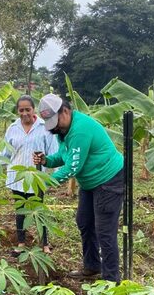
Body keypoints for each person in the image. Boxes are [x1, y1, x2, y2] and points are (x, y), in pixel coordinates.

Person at [34, 93, 124, 283]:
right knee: (84, 221)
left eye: (55, 121)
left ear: (65, 111)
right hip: (90, 182)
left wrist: (47, 182)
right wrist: (47, 160)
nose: (55, 128)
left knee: (105, 231)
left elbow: (74, 167)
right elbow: (65, 155)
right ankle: (92, 267)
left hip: (108, 178)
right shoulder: (63, 131)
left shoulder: (80, 129)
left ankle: (111, 281)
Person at [0, 95, 58, 255]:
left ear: (34, 110)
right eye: (21, 110)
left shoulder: (45, 127)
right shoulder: (12, 128)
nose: (24, 113)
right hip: (16, 176)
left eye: (28, 109)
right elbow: (6, 153)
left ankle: (44, 243)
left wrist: (57, 176)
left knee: (38, 210)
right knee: (20, 210)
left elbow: (54, 151)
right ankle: (21, 243)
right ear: (17, 111)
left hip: (37, 176)